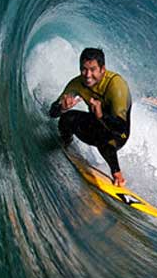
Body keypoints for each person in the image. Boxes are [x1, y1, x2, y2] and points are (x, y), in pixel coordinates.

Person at [48, 47, 132, 186]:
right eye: (84, 69)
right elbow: (52, 113)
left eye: (93, 69)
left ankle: (118, 174)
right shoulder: (77, 83)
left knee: (102, 134)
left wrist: (101, 116)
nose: (87, 75)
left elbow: (121, 128)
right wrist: (61, 108)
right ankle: (66, 143)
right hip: (96, 127)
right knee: (67, 118)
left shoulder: (116, 85)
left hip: (117, 135)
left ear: (102, 69)